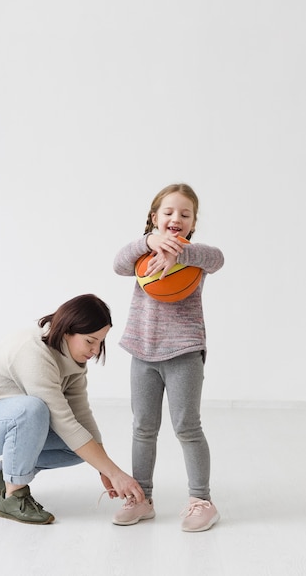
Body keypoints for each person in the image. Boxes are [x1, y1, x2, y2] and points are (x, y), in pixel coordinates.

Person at [0, 293, 145, 525]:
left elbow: (81, 416)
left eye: (100, 342)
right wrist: (114, 473)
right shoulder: (33, 350)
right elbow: (63, 421)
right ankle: (14, 497)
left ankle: (2, 474)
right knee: (33, 409)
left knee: (77, 447)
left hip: (7, 422)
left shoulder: (74, 362)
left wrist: (104, 468)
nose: (95, 350)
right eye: (90, 341)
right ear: (67, 330)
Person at [112, 183, 224, 531]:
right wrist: (147, 242)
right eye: (169, 212)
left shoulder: (196, 256)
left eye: (185, 214)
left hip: (184, 354)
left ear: (192, 223)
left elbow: (218, 258)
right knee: (143, 428)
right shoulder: (141, 254)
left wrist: (181, 254)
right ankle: (141, 498)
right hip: (142, 351)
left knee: (187, 427)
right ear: (154, 217)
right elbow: (117, 265)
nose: (177, 218)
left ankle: (201, 500)